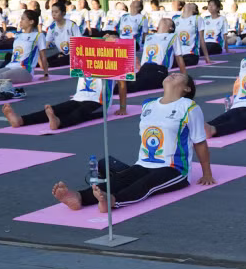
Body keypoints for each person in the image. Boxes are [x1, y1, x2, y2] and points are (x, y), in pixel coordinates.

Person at [51, 73, 215, 213]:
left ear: (187, 89)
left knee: (146, 184)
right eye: (173, 73)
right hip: (143, 163)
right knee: (120, 180)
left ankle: (114, 201)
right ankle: (79, 197)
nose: (173, 74)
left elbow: (199, 142)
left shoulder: (189, 107)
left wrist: (206, 173)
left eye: (180, 75)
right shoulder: (149, 104)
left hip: (174, 169)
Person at [2, 76, 126, 129]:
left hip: (100, 102)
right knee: (56, 109)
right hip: (79, 97)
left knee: (80, 113)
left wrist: (122, 107)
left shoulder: (114, 62)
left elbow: (122, 84)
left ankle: (59, 123)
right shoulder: (87, 58)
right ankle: (21, 120)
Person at [115, 18, 184, 96]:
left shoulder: (173, 36)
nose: (164, 19)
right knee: (122, 82)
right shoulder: (149, 37)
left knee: (134, 85)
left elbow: (179, 57)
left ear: (171, 28)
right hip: (144, 69)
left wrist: (184, 77)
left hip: (159, 70)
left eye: (168, 20)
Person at [0, 10, 48, 88]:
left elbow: (42, 56)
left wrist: (46, 74)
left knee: (2, 76)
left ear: (31, 21)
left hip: (25, 71)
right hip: (10, 66)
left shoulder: (38, 36)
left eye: (23, 19)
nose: (20, 21)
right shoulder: (18, 35)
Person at [43, 0, 82, 67]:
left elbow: (79, 41)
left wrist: (71, 52)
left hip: (72, 53)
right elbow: (46, 43)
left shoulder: (71, 25)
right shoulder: (52, 27)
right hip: (58, 53)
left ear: (63, 13)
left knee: (62, 60)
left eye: (56, 12)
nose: (53, 14)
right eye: (52, 12)